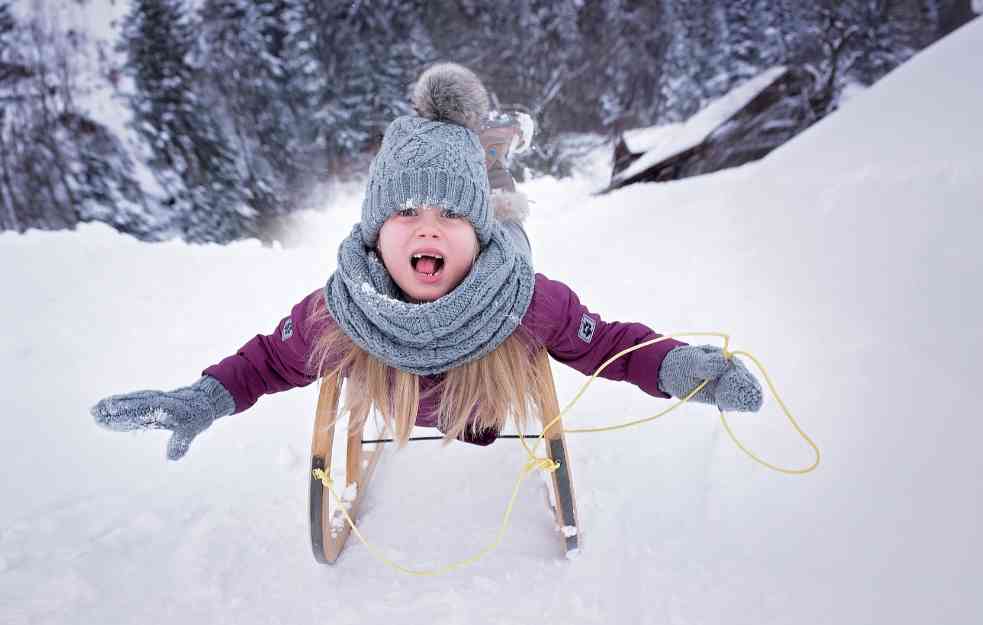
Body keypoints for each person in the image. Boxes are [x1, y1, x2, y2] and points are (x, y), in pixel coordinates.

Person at [91, 63, 763, 461]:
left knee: (499, 207)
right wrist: (203, 397)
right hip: (450, 296)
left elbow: (610, 346)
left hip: (492, 286)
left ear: (474, 234)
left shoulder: (525, 301)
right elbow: (267, 360)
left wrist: (681, 369)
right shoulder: (341, 309)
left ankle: (487, 164)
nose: (426, 230)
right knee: (470, 196)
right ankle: (479, 154)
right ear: (375, 233)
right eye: (405, 214)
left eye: (448, 218)